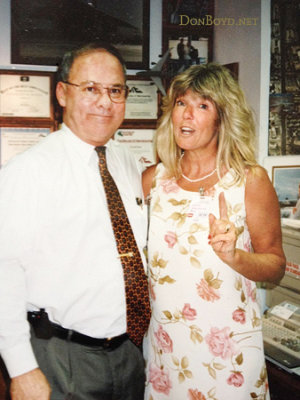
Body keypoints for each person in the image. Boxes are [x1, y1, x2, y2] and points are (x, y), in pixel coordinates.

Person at [0, 42, 149, 400]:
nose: (105, 102)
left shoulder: (127, 162)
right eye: (91, 89)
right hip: (60, 358)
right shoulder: (28, 172)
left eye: (115, 90)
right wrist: (21, 368)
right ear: (63, 93)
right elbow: (3, 272)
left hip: (129, 353)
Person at [142, 63, 286, 400]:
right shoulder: (154, 180)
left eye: (202, 106)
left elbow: (276, 266)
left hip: (228, 361)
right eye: (181, 104)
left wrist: (234, 256)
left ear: (222, 118)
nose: (186, 116)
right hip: (168, 355)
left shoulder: (249, 180)